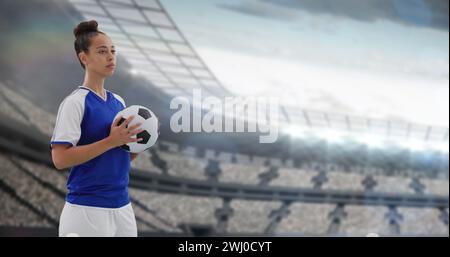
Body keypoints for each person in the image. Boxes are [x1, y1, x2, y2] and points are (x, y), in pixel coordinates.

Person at [50, 20, 143, 237]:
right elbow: (60, 159)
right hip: (87, 209)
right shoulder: (75, 102)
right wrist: (111, 141)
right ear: (84, 57)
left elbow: (120, 157)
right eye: (102, 51)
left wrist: (138, 145)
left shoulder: (119, 102)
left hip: (122, 207)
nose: (111, 56)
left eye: (113, 51)